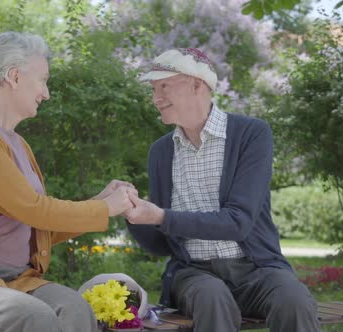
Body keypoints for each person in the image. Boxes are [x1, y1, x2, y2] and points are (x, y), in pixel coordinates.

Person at [0, 31, 136, 332]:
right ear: (14, 77)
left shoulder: (20, 145)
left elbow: (39, 225)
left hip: (17, 281)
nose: (46, 93)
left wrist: (101, 201)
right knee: (36, 317)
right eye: (43, 79)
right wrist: (105, 209)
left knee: (76, 309)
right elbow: (33, 208)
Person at [123, 48, 320, 332]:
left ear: (196, 85)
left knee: (294, 299)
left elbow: (238, 223)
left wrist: (161, 216)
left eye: (164, 86)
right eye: (153, 89)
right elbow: (160, 244)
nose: (156, 98)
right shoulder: (161, 152)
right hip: (194, 274)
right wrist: (132, 212)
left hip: (258, 269)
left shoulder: (251, 134)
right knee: (212, 297)